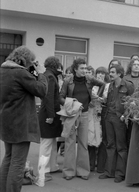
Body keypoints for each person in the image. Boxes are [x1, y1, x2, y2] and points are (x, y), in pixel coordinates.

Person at [0, 46, 47, 192]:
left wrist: (31, 71)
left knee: (8, 158)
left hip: (6, 122)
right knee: (18, 163)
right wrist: (40, 73)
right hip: (21, 124)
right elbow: (41, 90)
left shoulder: (3, 71)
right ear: (25, 60)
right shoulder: (21, 73)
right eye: (31, 61)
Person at [59, 58, 105, 181]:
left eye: (86, 68)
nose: (85, 71)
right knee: (69, 143)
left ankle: (83, 171)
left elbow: (102, 84)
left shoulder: (89, 80)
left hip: (85, 114)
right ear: (75, 69)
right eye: (82, 68)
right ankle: (69, 172)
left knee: (83, 143)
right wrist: (71, 103)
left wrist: (95, 98)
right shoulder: (68, 81)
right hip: (71, 115)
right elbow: (60, 97)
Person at [99, 64, 134, 183]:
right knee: (110, 144)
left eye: (112, 72)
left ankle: (120, 173)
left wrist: (125, 115)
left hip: (120, 119)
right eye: (110, 72)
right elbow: (107, 101)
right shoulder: (109, 86)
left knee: (121, 146)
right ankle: (109, 171)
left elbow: (132, 103)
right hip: (109, 117)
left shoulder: (128, 85)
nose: (110, 74)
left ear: (119, 73)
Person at [36, 56, 63, 184]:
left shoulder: (48, 75)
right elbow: (49, 98)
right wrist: (51, 116)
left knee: (51, 142)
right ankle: (43, 172)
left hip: (48, 112)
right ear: (55, 65)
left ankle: (52, 167)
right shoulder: (51, 77)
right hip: (49, 114)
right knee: (46, 144)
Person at [88, 66, 110, 172]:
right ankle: (90, 164)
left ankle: (101, 166)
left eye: (103, 73)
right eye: (98, 73)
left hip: (102, 114)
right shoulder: (93, 85)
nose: (100, 75)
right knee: (90, 138)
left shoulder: (107, 86)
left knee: (101, 140)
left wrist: (101, 100)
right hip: (91, 114)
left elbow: (107, 100)